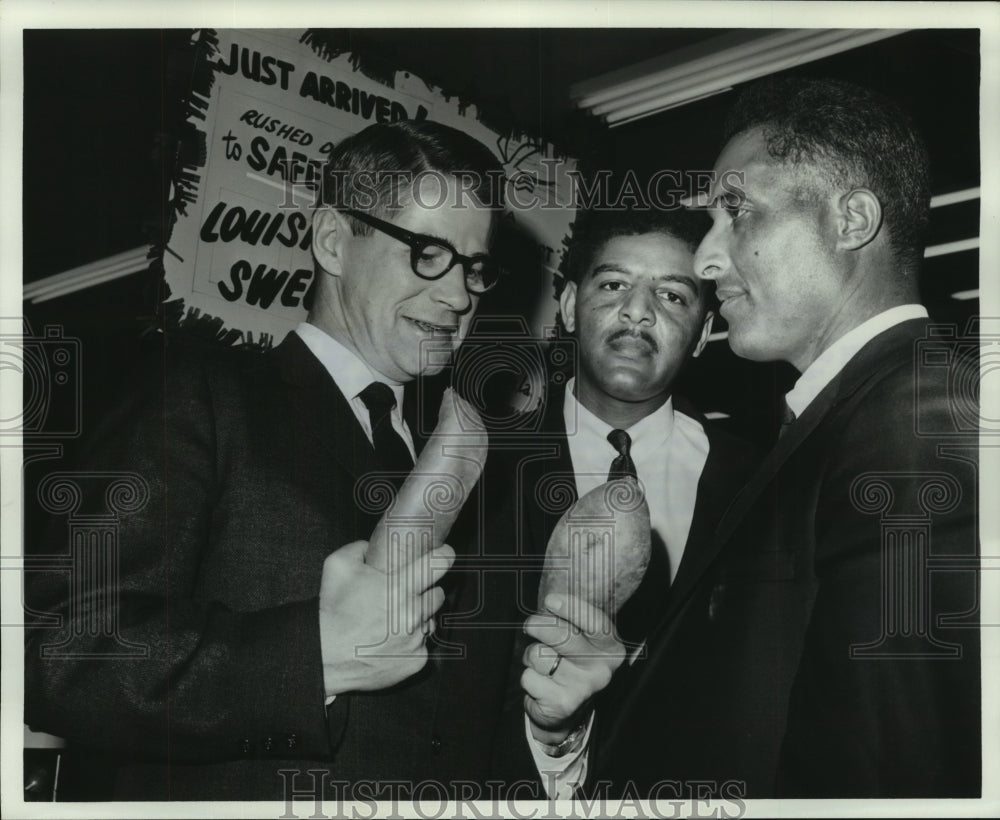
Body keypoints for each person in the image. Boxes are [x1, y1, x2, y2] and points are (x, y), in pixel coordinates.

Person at [24, 120, 527, 800]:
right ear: (331, 240)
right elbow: (62, 651)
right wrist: (314, 655)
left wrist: (554, 731)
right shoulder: (197, 392)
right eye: (429, 253)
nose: (460, 295)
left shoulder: (470, 460)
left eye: (475, 267)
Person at [589, 78, 980, 798]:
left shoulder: (916, 424)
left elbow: (890, 779)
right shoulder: (841, 421)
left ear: (851, 219)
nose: (706, 259)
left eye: (737, 213)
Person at [495, 206, 758, 797]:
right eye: (613, 285)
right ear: (567, 306)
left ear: (704, 334)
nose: (638, 311)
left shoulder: (758, 481)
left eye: (672, 296)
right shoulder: (487, 468)